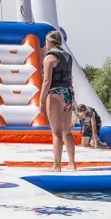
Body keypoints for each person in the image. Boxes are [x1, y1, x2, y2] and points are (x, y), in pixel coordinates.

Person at [39, 29, 76, 171]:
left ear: (49, 42)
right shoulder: (68, 57)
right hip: (68, 93)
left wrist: (41, 100)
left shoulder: (49, 58)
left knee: (56, 133)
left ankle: (57, 165)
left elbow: (47, 80)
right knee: (67, 132)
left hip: (55, 93)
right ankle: (72, 164)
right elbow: (70, 78)